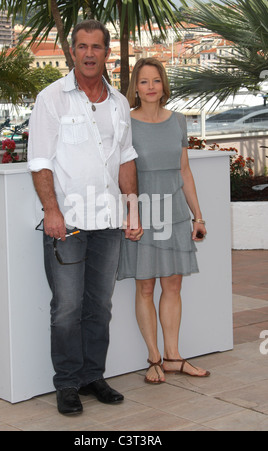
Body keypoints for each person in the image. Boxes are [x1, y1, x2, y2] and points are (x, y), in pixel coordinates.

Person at [28, 20, 143, 415]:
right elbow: (40, 161)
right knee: (67, 308)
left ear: (106, 53)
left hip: (109, 222)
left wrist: (132, 209)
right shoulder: (52, 98)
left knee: (101, 305)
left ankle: (94, 375)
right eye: (82, 46)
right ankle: (67, 384)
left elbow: (125, 159)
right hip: (69, 223)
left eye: (97, 47)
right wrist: (51, 211)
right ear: (72, 52)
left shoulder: (118, 102)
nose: (90, 53)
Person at [118, 58, 210, 384]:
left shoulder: (179, 122)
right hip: (141, 211)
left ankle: (173, 357)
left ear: (163, 84)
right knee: (145, 286)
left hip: (173, 211)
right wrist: (130, 214)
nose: (151, 87)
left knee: (173, 285)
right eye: (144, 81)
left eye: (156, 80)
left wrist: (197, 215)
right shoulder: (125, 124)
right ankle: (153, 358)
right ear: (136, 88)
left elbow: (184, 172)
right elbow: (120, 173)